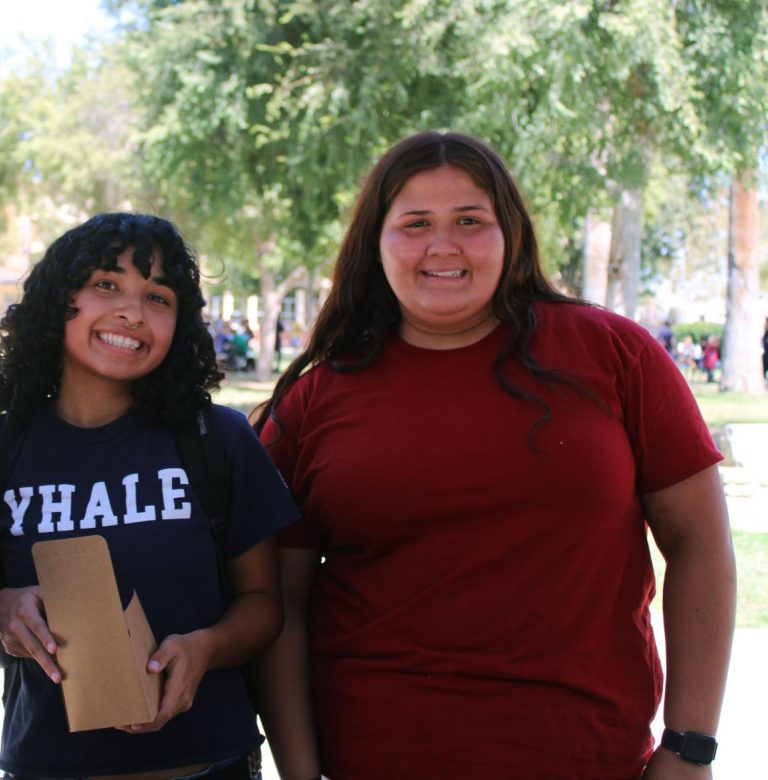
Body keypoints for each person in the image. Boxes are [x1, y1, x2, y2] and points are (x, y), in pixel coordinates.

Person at [251, 131, 736, 780]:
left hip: (590, 759)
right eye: (415, 223)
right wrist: (302, 774)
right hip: (373, 756)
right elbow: (280, 605)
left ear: (511, 232)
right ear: (375, 244)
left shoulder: (616, 356)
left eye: (470, 221)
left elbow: (701, 543)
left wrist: (690, 746)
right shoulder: (313, 399)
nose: (442, 245)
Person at [0, 212, 297, 779]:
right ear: (58, 300)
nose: (133, 312)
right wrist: (0, 613)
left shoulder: (219, 440)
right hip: (50, 766)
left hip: (209, 767)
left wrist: (207, 646)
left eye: (158, 297)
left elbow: (264, 605)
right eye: (106, 285)